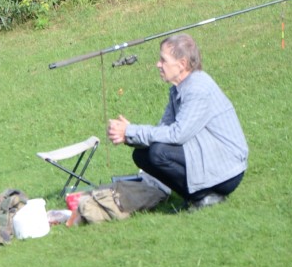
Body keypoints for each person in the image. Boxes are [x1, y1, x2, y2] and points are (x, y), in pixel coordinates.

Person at [106, 34, 248, 209]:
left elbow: (177, 134)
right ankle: (197, 197)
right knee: (142, 155)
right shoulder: (179, 89)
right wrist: (129, 136)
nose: (158, 64)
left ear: (182, 64)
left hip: (226, 170)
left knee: (158, 153)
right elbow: (163, 130)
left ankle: (203, 197)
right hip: (206, 154)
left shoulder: (197, 90)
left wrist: (130, 131)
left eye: (163, 60)